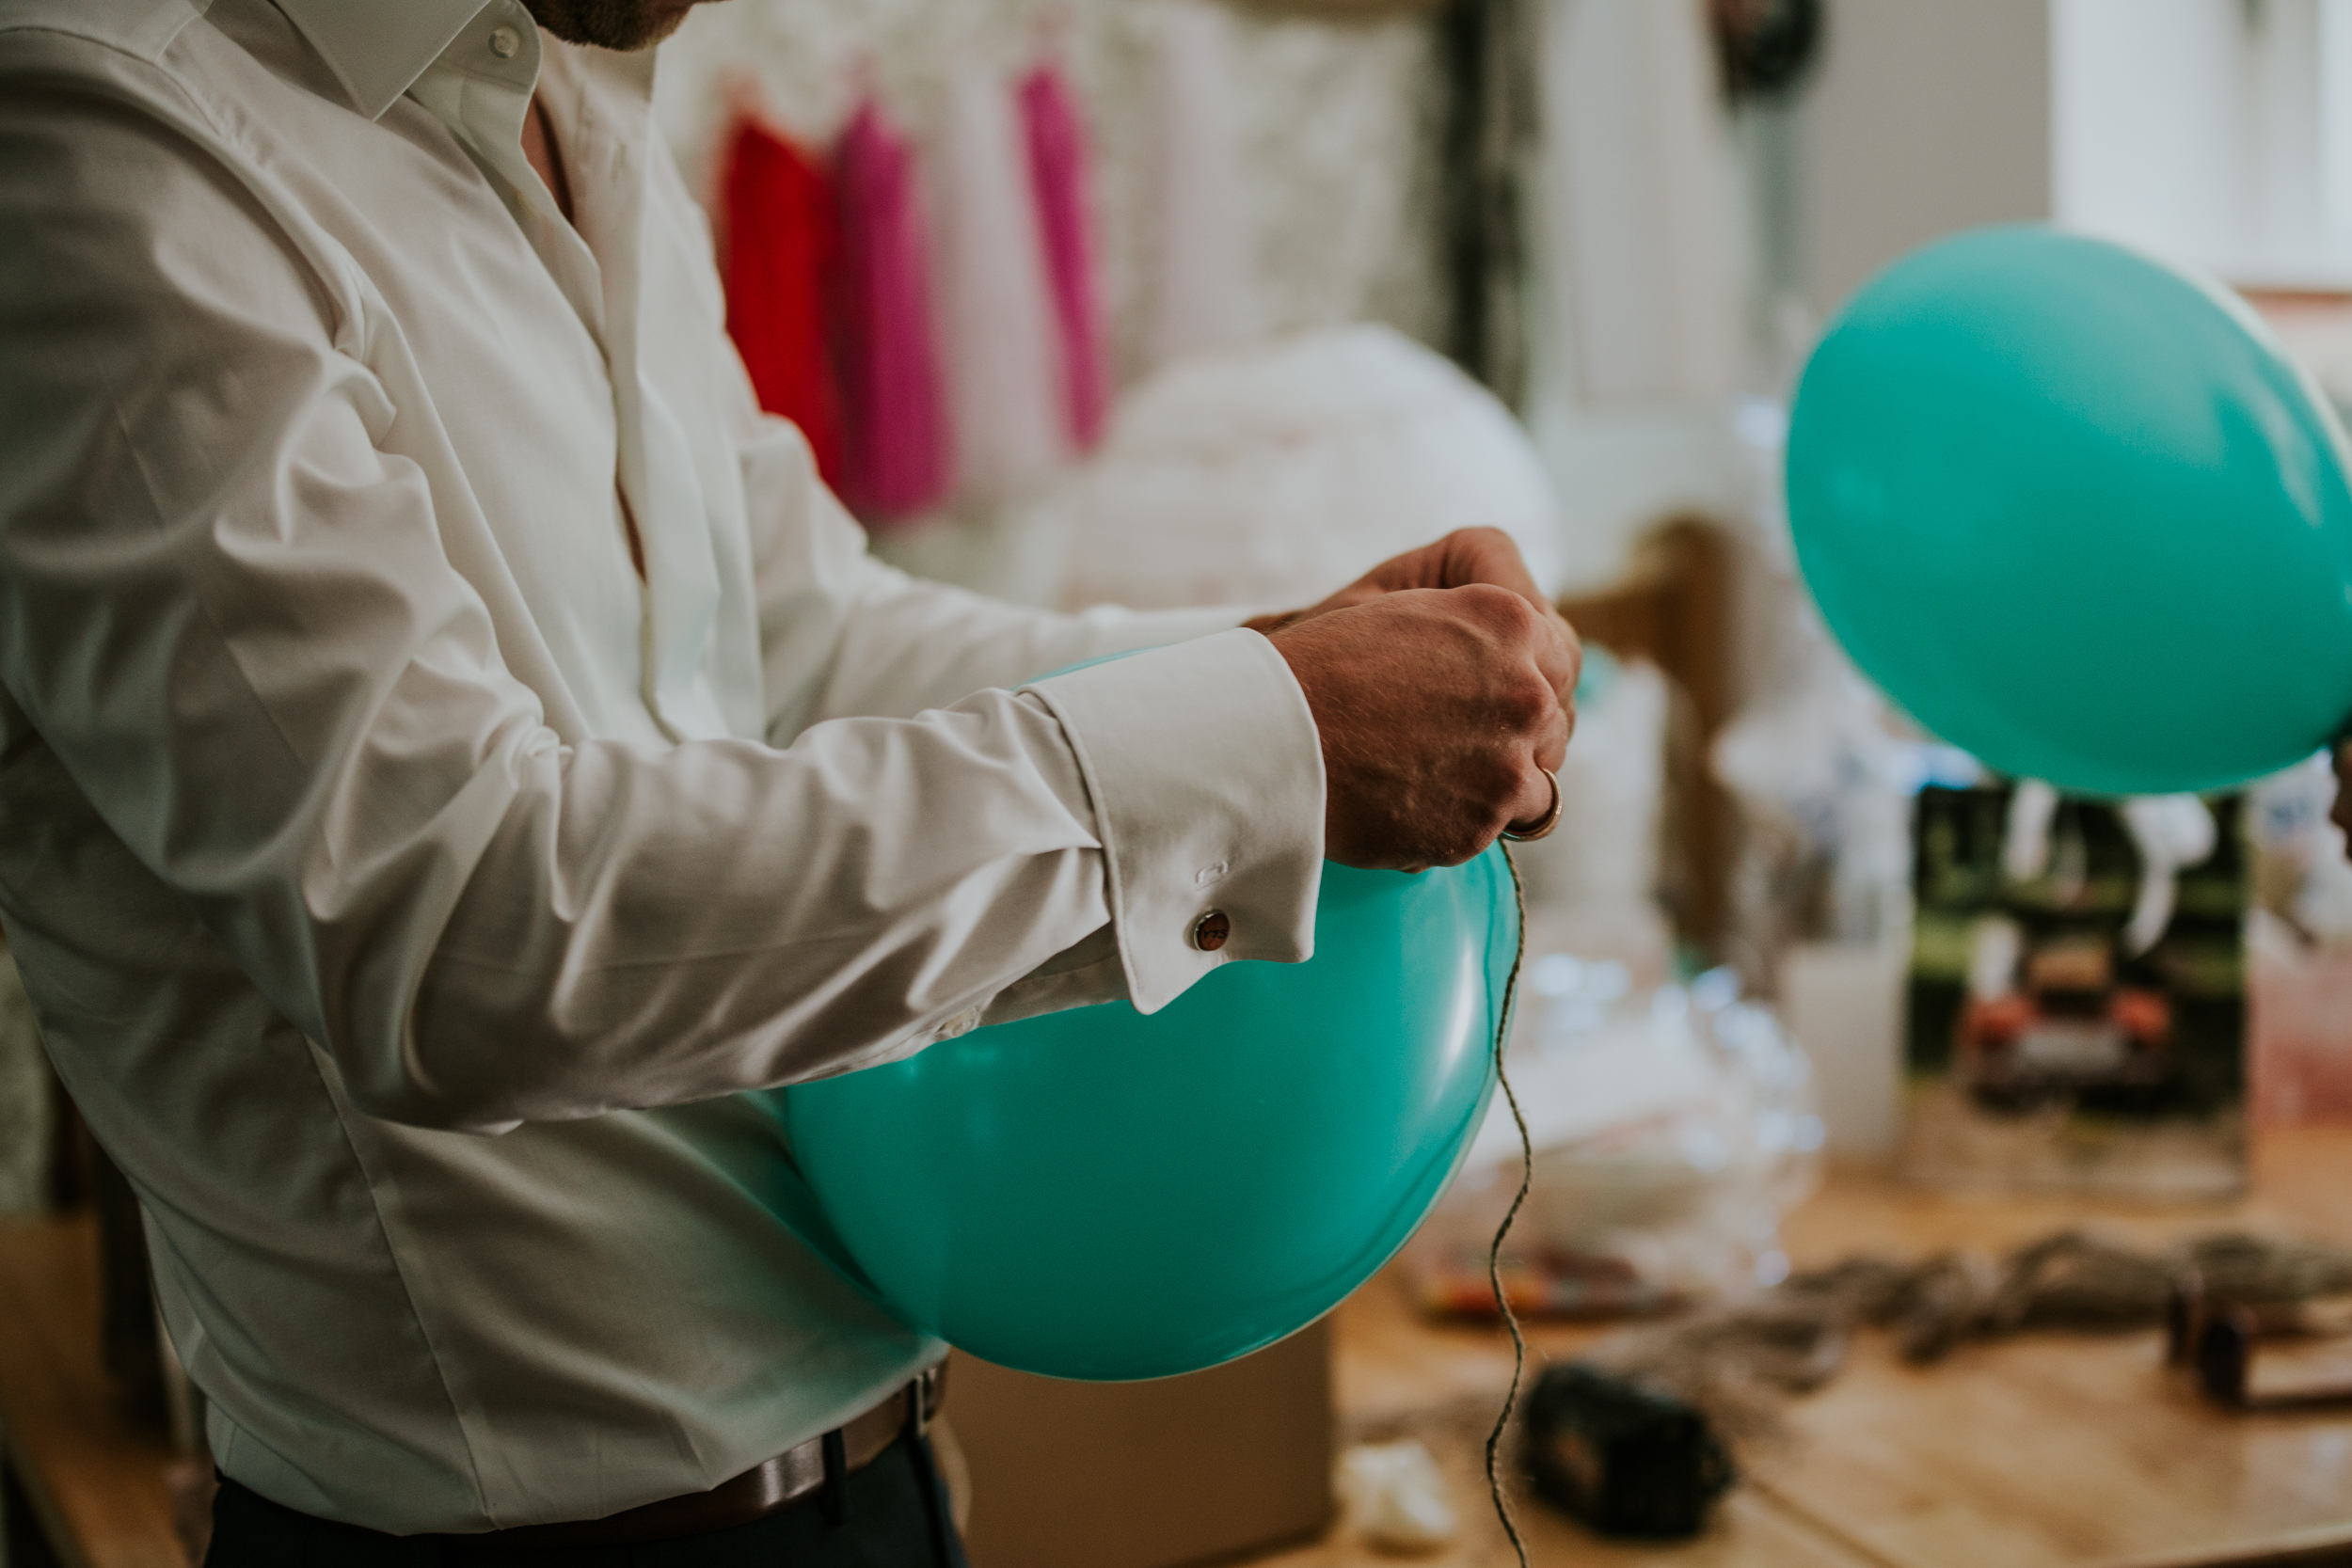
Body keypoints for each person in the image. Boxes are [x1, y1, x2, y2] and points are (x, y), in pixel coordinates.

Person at [0, 0, 1579, 1562]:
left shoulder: (570, 93)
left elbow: (806, 644)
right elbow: (456, 925)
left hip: (886, 1472)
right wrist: (1270, 742)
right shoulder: (99, 141)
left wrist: (1280, 663)